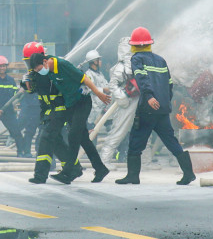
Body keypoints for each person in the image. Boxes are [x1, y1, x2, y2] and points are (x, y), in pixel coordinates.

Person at [115, 27, 196, 186]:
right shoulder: (161, 60)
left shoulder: (137, 59)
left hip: (148, 108)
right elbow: (169, 84)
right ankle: (189, 173)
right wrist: (165, 101)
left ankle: (132, 176)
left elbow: (141, 78)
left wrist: (149, 97)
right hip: (163, 109)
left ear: (135, 45)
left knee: (136, 141)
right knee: (171, 141)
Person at [27, 49, 111, 185]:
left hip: (82, 103)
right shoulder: (49, 71)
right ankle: (100, 169)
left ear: (44, 61)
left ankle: (68, 172)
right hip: (71, 105)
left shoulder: (61, 65)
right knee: (84, 139)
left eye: (39, 69)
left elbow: (84, 78)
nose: (39, 72)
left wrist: (98, 93)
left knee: (73, 136)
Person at [100, 37, 139, 166]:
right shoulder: (120, 67)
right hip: (126, 105)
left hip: (139, 102)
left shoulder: (138, 64)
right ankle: (104, 162)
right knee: (118, 133)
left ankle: (145, 162)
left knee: (144, 134)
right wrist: (122, 98)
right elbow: (112, 85)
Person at [80, 49, 109, 130]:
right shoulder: (88, 74)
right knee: (92, 131)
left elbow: (106, 85)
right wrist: (103, 90)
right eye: (99, 60)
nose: (101, 62)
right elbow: (89, 89)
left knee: (109, 126)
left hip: (103, 106)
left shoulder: (100, 74)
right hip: (94, 109)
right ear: (94, 62)